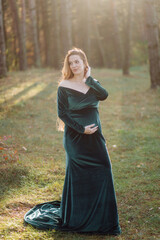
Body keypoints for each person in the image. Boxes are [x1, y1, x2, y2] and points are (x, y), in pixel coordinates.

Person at [24, 47, 121, 235]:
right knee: (79, 178)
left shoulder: (93, 84)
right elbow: (62, 113)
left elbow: (105, 95)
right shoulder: (64, 86)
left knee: (104, 169)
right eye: (71, 62)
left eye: (78, 61)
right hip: (75, 139)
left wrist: (89, 79)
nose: (74, 65)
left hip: (96, 140)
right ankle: (78, 217)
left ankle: (103, 220)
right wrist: (81, 129)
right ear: (68, 66)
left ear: (85, 63)